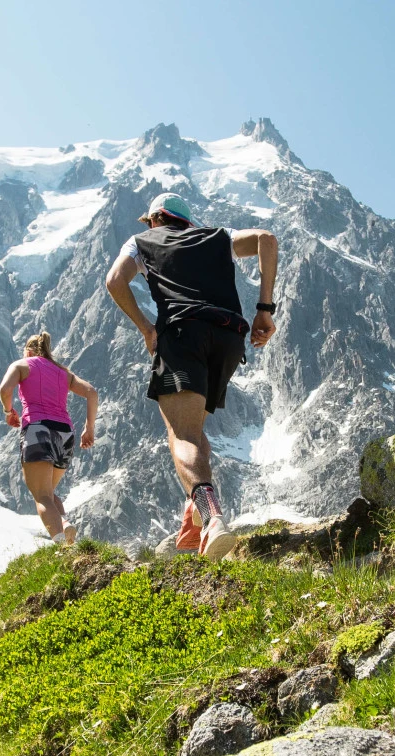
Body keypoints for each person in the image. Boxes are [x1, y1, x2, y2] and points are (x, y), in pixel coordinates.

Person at [102, 192, 278, 560]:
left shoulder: (141, 241)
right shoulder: (216, 236)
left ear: (155, 219)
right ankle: (193, 514)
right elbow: (266, 239)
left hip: (183, 333)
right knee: (194, 429)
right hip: (230, 337)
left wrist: (146, 329)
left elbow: (115, 281)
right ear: (186, 220)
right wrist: (264, 309)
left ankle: (212, 517)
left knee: (181, 432)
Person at [0, 332, 99, 544]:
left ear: (28, 351)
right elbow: (91, 392)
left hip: (38, 428)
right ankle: (64, 526)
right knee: (49, 493)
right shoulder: (63, 372)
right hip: (65, 433)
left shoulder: (21, 365)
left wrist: (9, 412)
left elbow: (5, 390)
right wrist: (89, 428)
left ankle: (60, 543)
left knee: (41, 496)